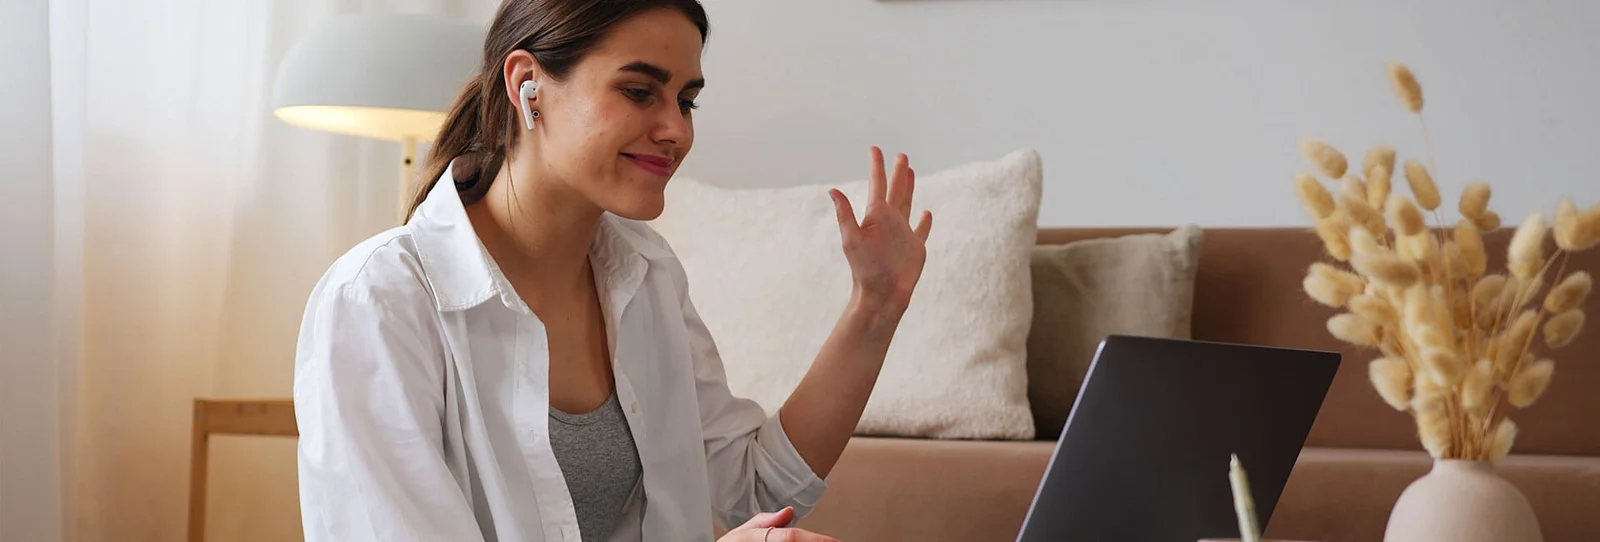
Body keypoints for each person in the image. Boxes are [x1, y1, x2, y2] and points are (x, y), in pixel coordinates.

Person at [292, 1, 933, 541]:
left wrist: (874, 309)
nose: (675, 130)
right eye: (638, 91)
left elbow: (749, 490)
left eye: (687, 102)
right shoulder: (379, 301)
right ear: (527, 85)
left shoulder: (647, 274)